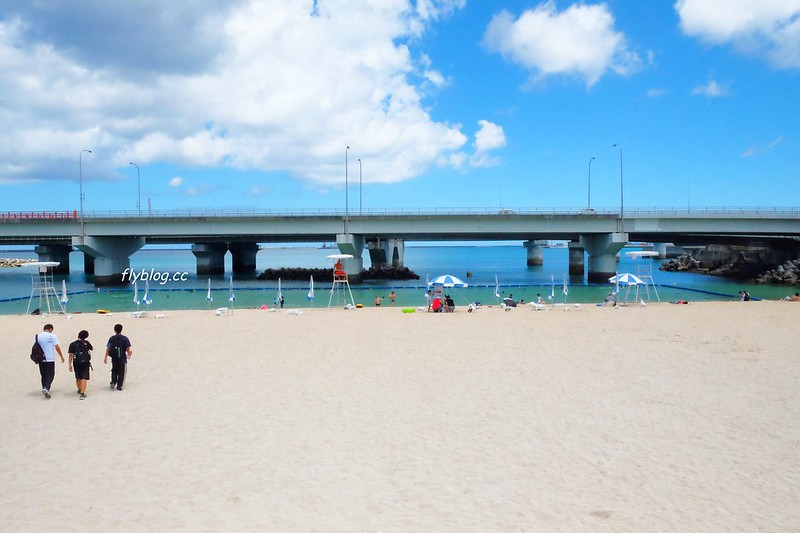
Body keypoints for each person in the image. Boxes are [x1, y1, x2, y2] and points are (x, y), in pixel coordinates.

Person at [36, 324, 64, 399]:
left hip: (41, 358)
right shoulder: (53, 336)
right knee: (51, 374)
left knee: (43, 374)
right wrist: (61, 356)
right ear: (50, 329)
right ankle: (46, 388)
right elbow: (57, 347)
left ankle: (44, 387)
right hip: (50, 358)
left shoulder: (38, 336)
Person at [104, 324, 132, 391]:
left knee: (114, 370)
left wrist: (105, 357)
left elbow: (108, 348)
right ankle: (119, 385)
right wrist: (129, 354)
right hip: (122, 358)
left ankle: (113, 382)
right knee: (121, 372)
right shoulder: (125, 338)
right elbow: (128, 348)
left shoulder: (112, 338)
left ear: (114, 330)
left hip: (114, 357)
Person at [68, 330, 93, 400]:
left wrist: (69, 364)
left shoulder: (72, 344)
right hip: (85, 362)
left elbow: (70, 355)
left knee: (78, 377)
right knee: (84, 377)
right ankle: (82, 393)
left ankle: (79, 389)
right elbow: (92, 348)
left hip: (76, 362)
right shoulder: (86, 343)